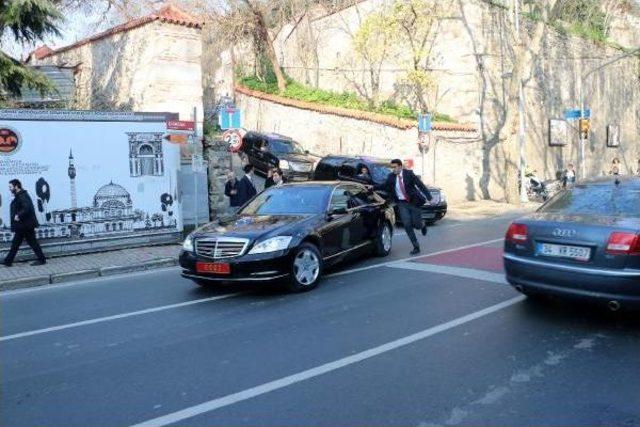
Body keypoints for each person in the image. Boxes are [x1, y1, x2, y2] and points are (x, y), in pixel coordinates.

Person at [370, 159, 432, 255]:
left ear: (400, 166)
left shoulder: (409, 174)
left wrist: (429, 197)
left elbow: (420, 185)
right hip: (402, 204)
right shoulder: (391, 177)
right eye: (392, 168)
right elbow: (384, 185)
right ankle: (416, 246)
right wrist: (373, 187)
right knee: (407, 224)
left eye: (394, 167)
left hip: (413, 202)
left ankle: (422, 225)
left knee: (417, 225)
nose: (393, 169)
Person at [3, 179, 46, 267]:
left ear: (16, 186)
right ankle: (8, 261)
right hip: (23, 225)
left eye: (10, 187)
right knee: (16, 243)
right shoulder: (20, 195)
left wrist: (18, 215)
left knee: (31, 243)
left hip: (25, 225)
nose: (9, 189)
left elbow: (26, 207)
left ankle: (42, 260)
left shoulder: (22, 196)